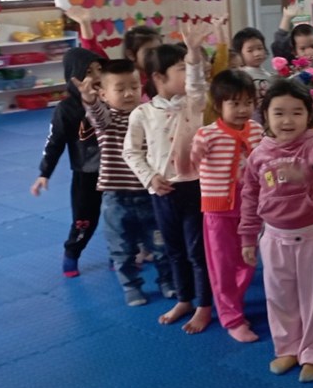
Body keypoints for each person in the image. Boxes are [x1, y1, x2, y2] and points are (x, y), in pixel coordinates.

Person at [240, 80, 313, 380]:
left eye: (296, 112)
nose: (287, 120)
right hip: (274, 237)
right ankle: (288, 348)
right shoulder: (259, 154)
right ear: (265, 116)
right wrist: (248, 237)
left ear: (309, 115)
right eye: (279, 113)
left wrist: (305, 173)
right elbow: (249, 196)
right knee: (280, 298)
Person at [123, 21, 212, 334]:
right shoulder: (142, 113)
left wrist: (193, 54)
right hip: (163, 192)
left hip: (196, 187)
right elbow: (131, 152)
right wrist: (150, 178)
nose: (188, 75)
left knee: (197, 252)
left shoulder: (193, 104)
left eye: (187, 69)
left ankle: (203, 305)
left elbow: (197, 84)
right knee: (174, 250)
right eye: (180, 70)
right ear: (159, 78)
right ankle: (184, 299)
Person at [75, 59, 173, 305]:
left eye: (134, 87)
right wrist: (88, 100)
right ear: (104, 94)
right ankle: (131, 286)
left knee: (161, 245)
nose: (129, 93)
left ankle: (167, 281)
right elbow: (97, 115)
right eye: (120, 89)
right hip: (117, 198)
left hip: (150, 194)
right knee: (122, 248)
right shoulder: (108, 120)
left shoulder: (150, 115)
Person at [192, 70, 264, 344]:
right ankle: (232, 318)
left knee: (247, 262)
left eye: (248, 103)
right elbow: (191, 165)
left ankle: (234, 302)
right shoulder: (206, 134)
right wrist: (193, 152)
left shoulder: (256, 130)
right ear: (219, 105)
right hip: (219, 209)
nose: (243, 109)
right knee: (222, 265)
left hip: (250, 209)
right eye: (235, 103)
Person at [30, 47, 104, 277]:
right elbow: (55, 142)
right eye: (88, 72)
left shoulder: (110, 99)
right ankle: (72, 251)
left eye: (99, 70)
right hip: (86, 172)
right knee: (84, 219)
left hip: (117, 170)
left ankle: (122, 253)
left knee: (122, 215)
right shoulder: (67, 109)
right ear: (74, 76)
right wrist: (45, 172)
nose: (96, 76)